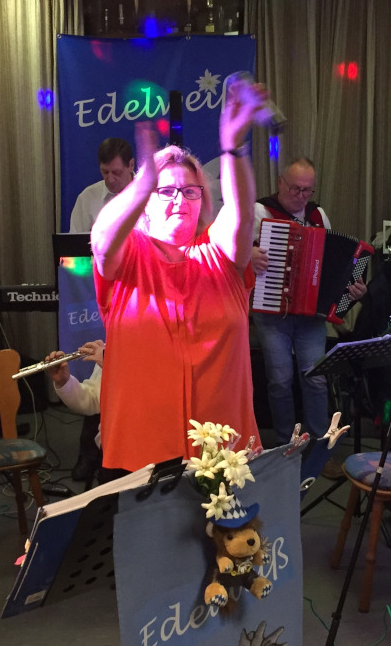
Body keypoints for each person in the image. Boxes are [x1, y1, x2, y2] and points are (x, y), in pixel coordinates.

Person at [91, 88, 266, 478]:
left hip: (224, 453)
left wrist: (233, 148)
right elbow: (102, 239)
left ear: (202, 199)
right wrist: (142, 183)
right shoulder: (130, 255)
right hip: (141, 454)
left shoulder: (219, 255)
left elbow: (240, 215)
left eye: (189, 191)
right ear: (146, 201)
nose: (179, 200)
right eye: (165, 191)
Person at [250, 158, 366, 448]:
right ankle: (284, 446)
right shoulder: (260, 212)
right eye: (295, 189)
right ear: (280, 183)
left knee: (315, 379)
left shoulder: (318, 215)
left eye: (307, 190)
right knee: (280, 380)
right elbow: (233, 252)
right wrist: (249, 255)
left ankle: (317, 445)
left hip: (311, 315)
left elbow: (332, 266)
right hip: (272, 312)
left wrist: (351, 289)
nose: (301, 196)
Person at [44, 340, 104, 484]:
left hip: (145, 451)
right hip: (112, 451)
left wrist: (112, 366)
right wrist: (65, 382)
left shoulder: (157, 352)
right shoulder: (111, 349)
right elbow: (92, 400)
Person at [68, 137, 135, 233]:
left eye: (116, 172)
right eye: (105, 172)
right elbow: (75, 240)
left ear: (131, 165)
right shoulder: (87, 198)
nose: (110, 180)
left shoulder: (153, 197)